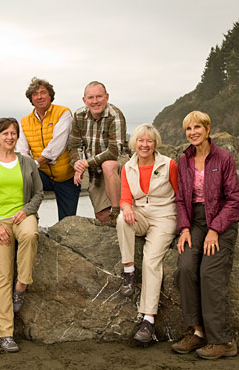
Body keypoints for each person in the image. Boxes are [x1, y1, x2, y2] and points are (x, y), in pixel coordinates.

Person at [171, 111, 239, 360]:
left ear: (208, 129)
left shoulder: (224, 158)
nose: (193, 132)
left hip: (221, 221)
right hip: (195, 222)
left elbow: (233, 200)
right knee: (187, 267)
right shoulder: (184, 160)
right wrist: (185, 229)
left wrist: (215, 230)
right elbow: (180, 199)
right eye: (188, 129)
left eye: (197, 127)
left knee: (209, 272)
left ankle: (223, 340)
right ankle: (197, 332)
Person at [0, 117, 43, 353]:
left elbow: (39, 193)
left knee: (31, 235)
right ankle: (5, 334)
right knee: (1, 277)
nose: (10, 137)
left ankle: (21, 285)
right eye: (5, 133)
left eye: (13, 133)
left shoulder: (27, 163)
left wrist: (27, 210)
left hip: (23, 217)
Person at [116, 123, 178, 345]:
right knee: (122, 218)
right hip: (140, 215)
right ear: (134, 143)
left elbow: (180, 196)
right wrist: (127, 207)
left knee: (152, 262)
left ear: (155, 143)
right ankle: (129, 270)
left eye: (149, 141)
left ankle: (148, 320)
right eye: (140, 140)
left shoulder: (169, 164)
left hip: (164, 218)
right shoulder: (127, 167)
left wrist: (186, 227)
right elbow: (124, 197)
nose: (144, 145)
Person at [17, 77, 80, 221]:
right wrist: (29, 167)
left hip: (66, 176)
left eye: (43, 92)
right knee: (22, 178)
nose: (39, 97)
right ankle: (29, 221)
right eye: (35, 94)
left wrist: (35, 164)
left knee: (67, 222)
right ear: (31, 99)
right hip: (42, 175)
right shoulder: (24, 122)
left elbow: (56, 146)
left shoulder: (63, 113)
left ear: (50, 95)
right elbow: (22, 150)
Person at [69, 81, 128, 226]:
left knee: (108, 165)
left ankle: (116, 211)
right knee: (101, 215)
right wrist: (77, 163)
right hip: (95, 169)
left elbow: (114, 151)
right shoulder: (79, 115)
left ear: (106, 97)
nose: (95, 101)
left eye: (99, 97)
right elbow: (74, 145)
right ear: (84, 100)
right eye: (90, 98)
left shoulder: (115, 115)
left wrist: (85, 163)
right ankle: (111, 231)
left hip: (118, 162)